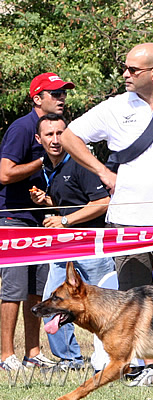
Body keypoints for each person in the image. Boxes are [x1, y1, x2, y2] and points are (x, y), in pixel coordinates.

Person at [60, 42, 153, 385]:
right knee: (132, 301)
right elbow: (71, 137)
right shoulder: (115, 107)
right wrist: (102, 171)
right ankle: (148, 368)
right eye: (126, 68)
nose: (125, 75)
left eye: (133, 69)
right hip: (128, 222)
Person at [0, 73, 75, 371]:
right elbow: (4, 174)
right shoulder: (22, 128)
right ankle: (6, 355)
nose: (61, 98)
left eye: (63, 93)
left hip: (40, 219)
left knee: (37, 289)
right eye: (55, 93)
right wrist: (41, 162)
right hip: (13, 218)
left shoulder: (57, 129)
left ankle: (33, 352)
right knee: (13, 289)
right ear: (37, 98)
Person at [30, 113, 113, 371]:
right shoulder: (48, 167)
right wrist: (50, 204)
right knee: (50, 301)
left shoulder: (79, 164)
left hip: (92, 246)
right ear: (39, 139)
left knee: (105, 306)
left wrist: (65, 222)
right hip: (65, 248)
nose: (55, 140)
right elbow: (73, 202)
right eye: (49, 135)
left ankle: (115, 358)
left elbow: (102, 202)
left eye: (60, 134)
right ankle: (70, 360)